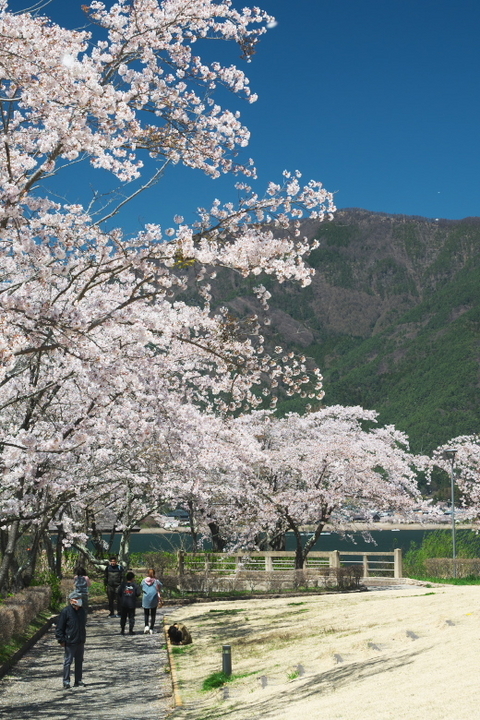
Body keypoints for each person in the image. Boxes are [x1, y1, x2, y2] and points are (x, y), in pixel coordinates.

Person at [55, 591, 87, 689]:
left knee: (79, 661)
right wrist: (61, 640)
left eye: (80, 598)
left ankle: (78, 680)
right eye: (77, 599)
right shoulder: (66, 611)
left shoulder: (82, 611)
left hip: (80, 640)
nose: (79, 600)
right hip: (70, 641)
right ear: (71, 600)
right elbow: (60, 627)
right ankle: (66, 681)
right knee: (68, 661)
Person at [117, 571, 141, 635]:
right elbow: (138, 593)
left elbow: (119, 593)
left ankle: (122, 630)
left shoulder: (123, 585)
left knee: (123, 617)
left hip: (124, 603)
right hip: (132, 604)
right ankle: (131, 630)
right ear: (132, 578)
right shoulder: (135, 586)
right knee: (131, 617)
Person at [141, 568, 163, 634]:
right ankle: (151, 628)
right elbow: (160, 586)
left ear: (147, 574)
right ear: (154, 574)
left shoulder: (143, 580)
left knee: (146, 613)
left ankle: (146, 626)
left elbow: (141, 586)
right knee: (153, 614)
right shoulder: (156, 581)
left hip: (145, 598)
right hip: (154, 598)